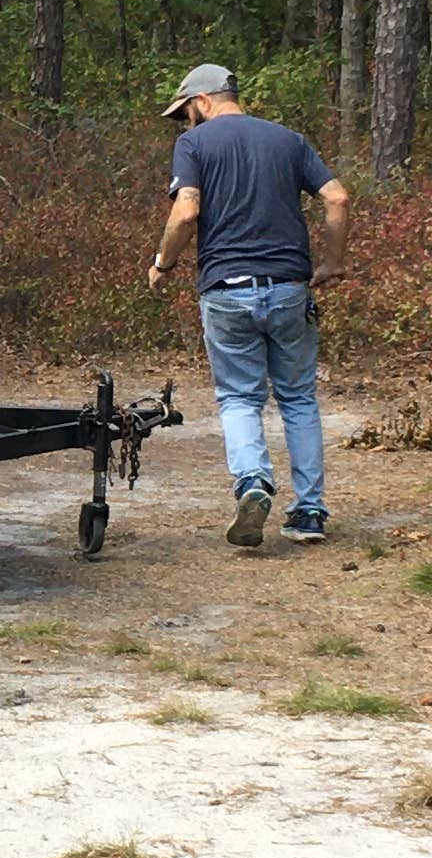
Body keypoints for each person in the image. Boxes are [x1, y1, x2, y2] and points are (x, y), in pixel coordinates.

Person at [144, 63, 348, 549]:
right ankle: (310, 512)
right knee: (298, 397)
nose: (185, 124)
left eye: (185, 114)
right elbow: (337, 198)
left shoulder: (195, 144)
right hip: (289, 287)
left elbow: (187, 209)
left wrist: (163, 264)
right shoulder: (289, 140)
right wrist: (332, 263)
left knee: (239, 398)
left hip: (226, 289)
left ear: (202, 101)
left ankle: (253, 483)